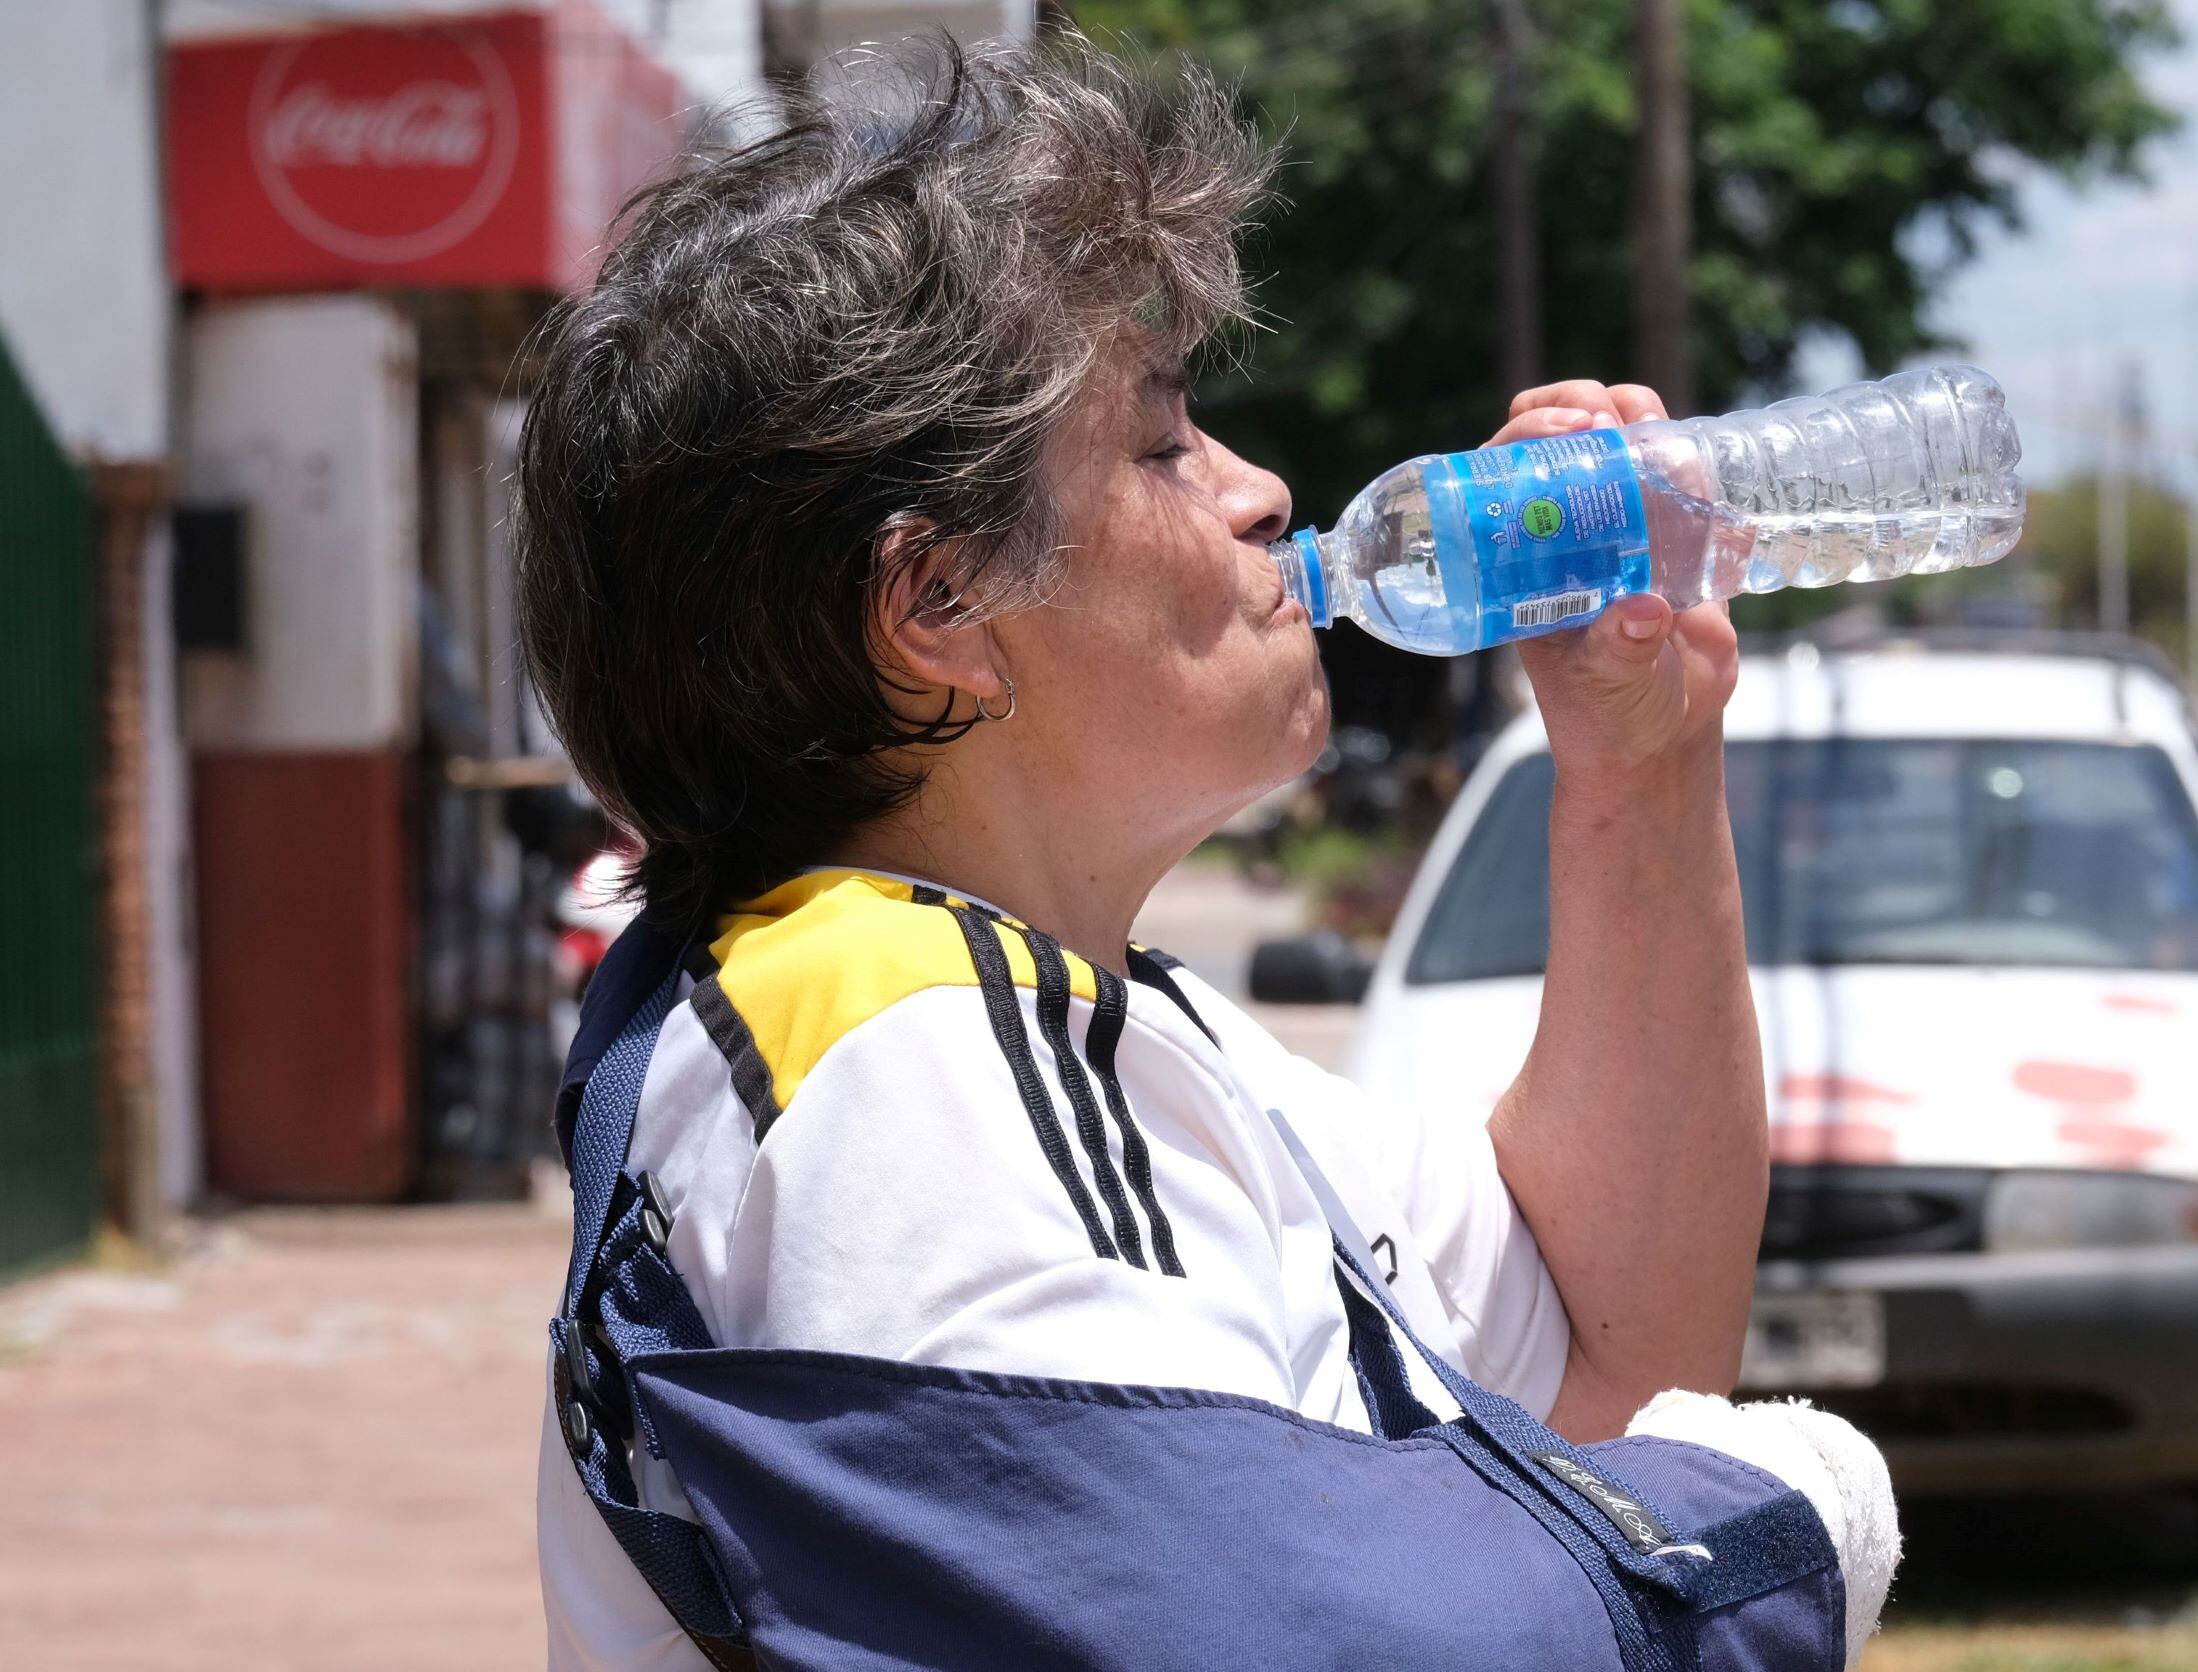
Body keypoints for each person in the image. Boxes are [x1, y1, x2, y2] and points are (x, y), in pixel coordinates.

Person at [519, 34, 1893, 1669]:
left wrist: (1642, 760)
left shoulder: (1085, 1014)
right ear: (937, 606)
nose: (1263, 492)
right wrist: (1778, 1517)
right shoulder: (901, 1044)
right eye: (1163, 443)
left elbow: (1613, 1338)